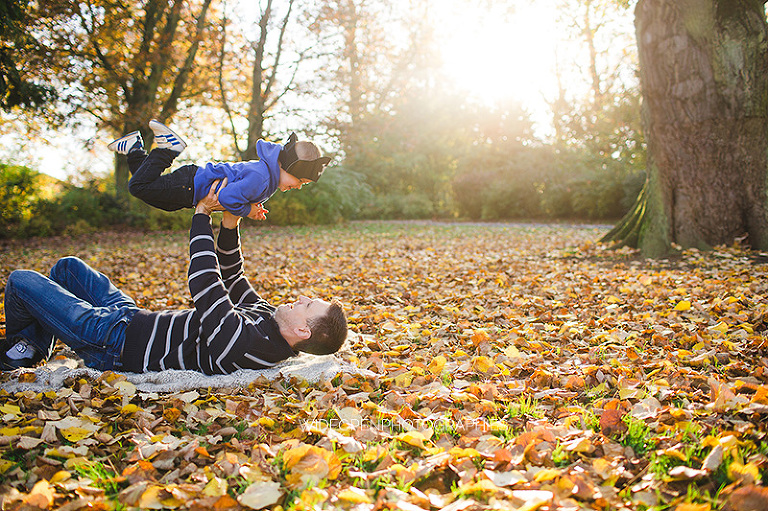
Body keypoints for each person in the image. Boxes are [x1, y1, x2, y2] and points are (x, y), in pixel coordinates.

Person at [0, 182, 348, 374]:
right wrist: (231, 221)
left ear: (303, 331)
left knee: (20, 280)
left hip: (114, 343)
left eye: (307, 305)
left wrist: (201, 215)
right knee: (67, 267)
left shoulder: (252, 346)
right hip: (133, 318)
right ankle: (31, 344)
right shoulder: (267, 317)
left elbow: (207, 284)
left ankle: (24, 349)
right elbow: (232, 274)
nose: (300, 298)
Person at [108, 120, 331, 220]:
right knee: (139, 187)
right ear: (286, 166)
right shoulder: (262, 177)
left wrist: (249, 204)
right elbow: (226, 196)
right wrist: (248, 211)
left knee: (149, 188)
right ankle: (168, 149)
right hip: (191, 184)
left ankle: (135, 149)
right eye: (299, 181)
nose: (298, 187)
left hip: (191, 189)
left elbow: (235, 194)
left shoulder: (267, 178)